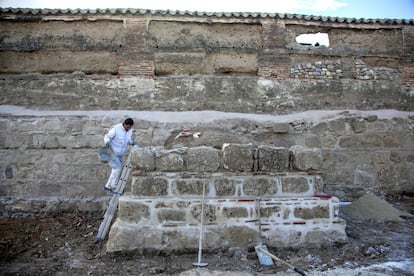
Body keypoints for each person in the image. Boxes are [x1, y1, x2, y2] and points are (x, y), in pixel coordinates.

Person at [103, 118, 138, 192]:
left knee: (115, 169)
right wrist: (107, 143)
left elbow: (127, 140)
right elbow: (107, 136)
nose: (129, 129)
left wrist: (132, 143)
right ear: (124, 124)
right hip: (112, 152)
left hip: (120, 154)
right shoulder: (116, 128)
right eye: (128, 127)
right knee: (118, 168)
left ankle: (108, 186)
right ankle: (114, 186)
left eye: (130, 127)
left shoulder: (129, 130)